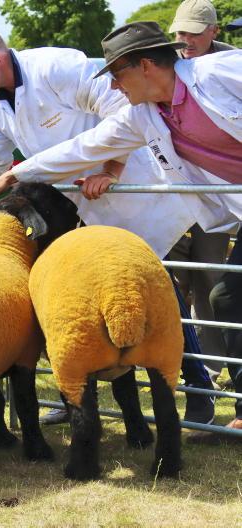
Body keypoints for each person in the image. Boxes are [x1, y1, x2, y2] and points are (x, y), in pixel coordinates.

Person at [0, 21, 219, 425]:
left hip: (132, 196)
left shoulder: (57, 67)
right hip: (76, 214)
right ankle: (73, 392)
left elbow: (128, 109)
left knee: (155, 285)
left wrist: (111, 169)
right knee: (75, 299)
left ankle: (197, 388)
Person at [167, 0, 238, 385]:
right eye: (180, 32)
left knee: (212, 279)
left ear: (214, 31)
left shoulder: (231, 68)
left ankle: (215, 364)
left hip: (219, 199)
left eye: (194, 32)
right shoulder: (166, 66)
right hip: (176, 196)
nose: (186, 40)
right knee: (180, 280)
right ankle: (198, 363)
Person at [170, 0, 235, 58]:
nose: (188, 42)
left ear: (214, 31)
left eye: (195, 33)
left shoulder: (233, 59)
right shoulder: (166, 58)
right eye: (181, 33)